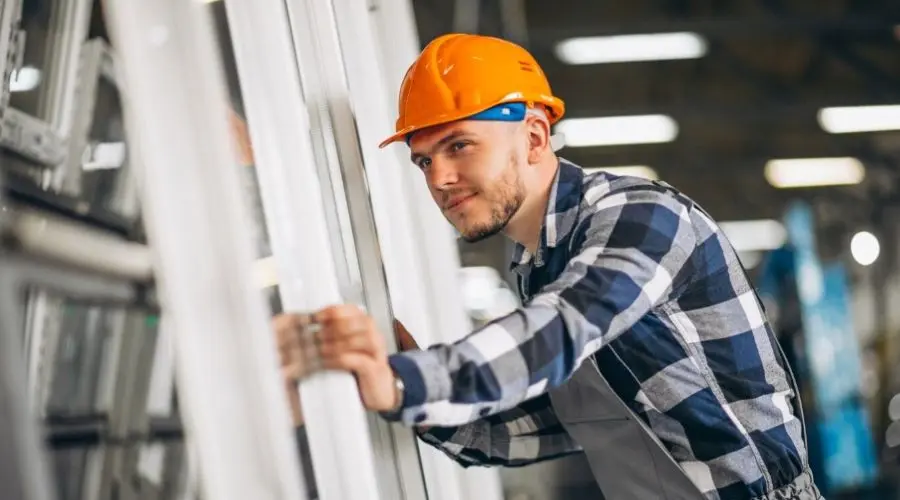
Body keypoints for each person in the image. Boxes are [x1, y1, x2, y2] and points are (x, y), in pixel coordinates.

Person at [274, 33, 822, 499]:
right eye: (424, 160)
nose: (438, 179)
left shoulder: (641, 217)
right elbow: (570, 423)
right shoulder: (537, 265)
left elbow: (562, 328)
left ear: (534, 137)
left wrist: (405, 381)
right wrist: (407, 392)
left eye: (459, 145)